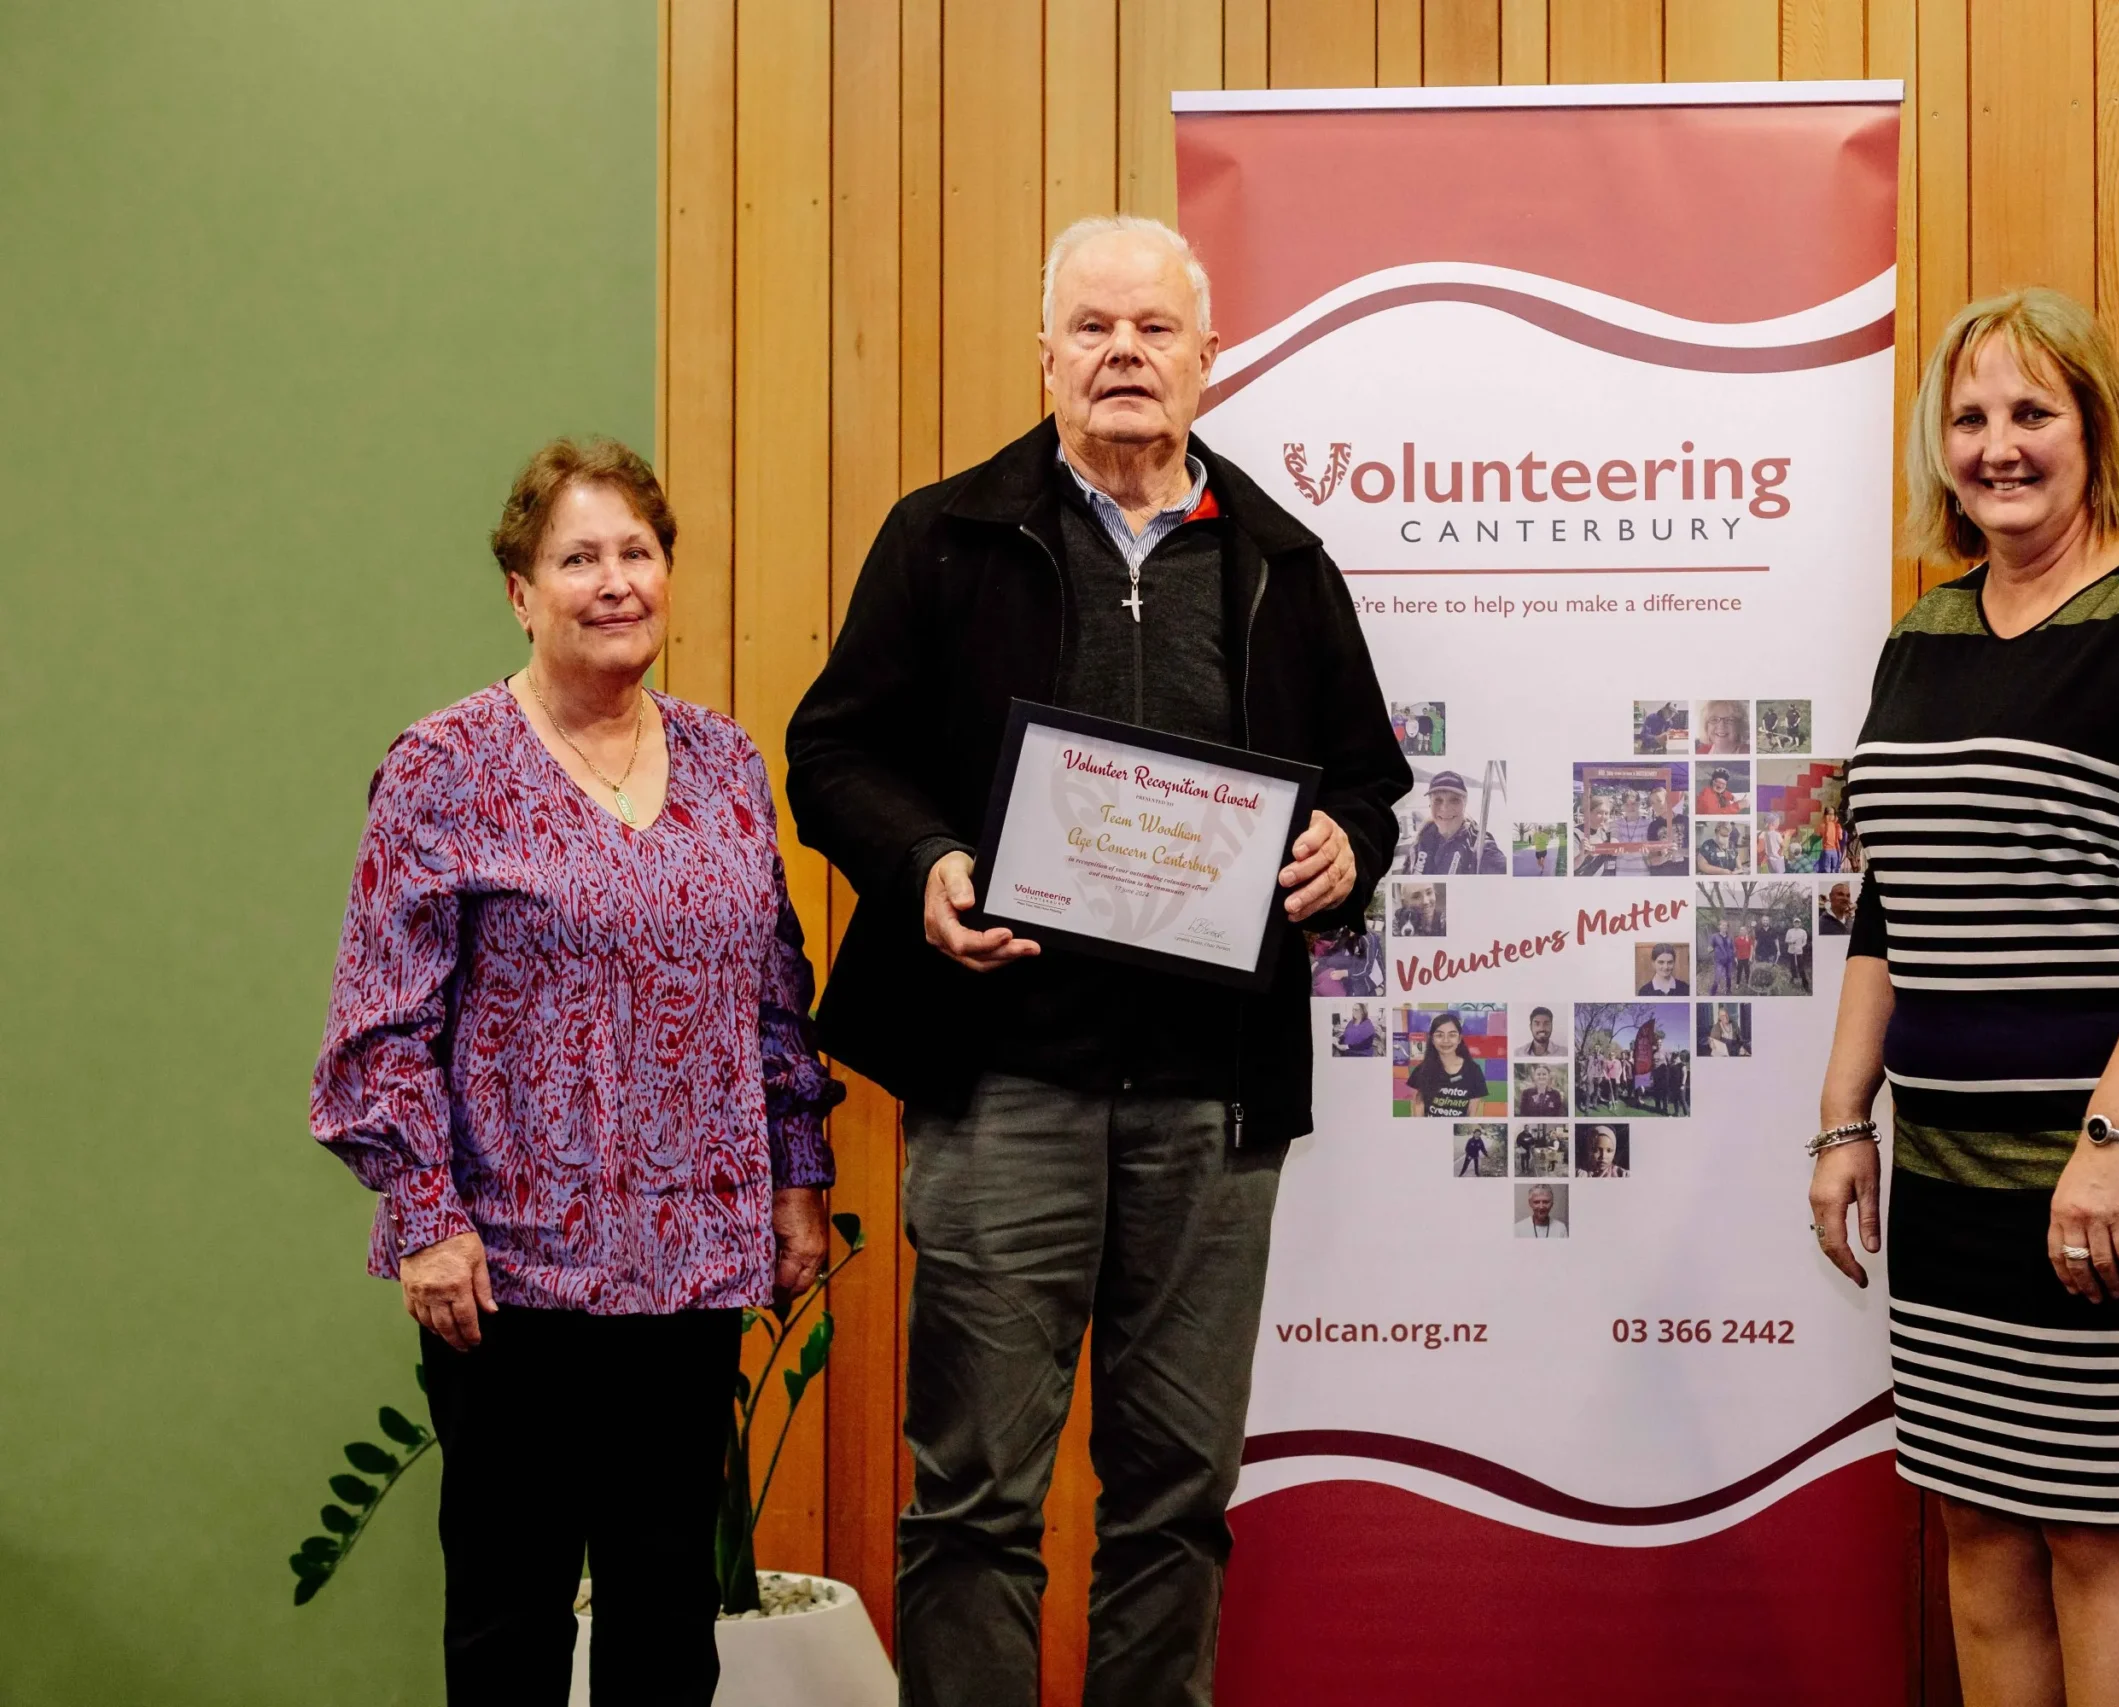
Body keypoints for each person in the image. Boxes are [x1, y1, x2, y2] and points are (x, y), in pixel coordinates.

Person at [782, 215, 1408, 1703]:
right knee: (974, 1502)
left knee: (1176, 1501)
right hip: (1003, 1086)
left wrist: (1348, 847)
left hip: (1210, 1101)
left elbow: (1368, 783)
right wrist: (927, 862)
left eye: (1153, 328)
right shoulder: (944, 537)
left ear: (1208, 357)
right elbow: (833, 752)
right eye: (1093, 327)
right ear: (1046, 356)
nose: (1124, 352)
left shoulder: (1281, 559)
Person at [310, 440, 841, 1706]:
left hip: (691, 1271)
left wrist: (797, 1180)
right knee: (511, 1617)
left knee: (667, 1619)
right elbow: (380, 1023)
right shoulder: (444, 767)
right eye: (578, 559)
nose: (615, 583)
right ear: (520, 592)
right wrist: (426, 1221)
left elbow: (773, 991)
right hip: (509, 1276)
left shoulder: (725, 761)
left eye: (637, 554)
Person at [1809, 287, 2119, 1707]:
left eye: (2031, 412)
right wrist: (1844, 1121)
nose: (1997, 446)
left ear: (2094, 427)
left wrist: (2112, 1138)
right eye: (1968, 418)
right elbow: (1893, 894)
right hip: (1950, 1158)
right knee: (1978, 1520)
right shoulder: (1924, 632)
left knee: (2107, 1529)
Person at [1405, 770, 1504, 874]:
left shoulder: (1477, 844)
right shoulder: (1420, 839)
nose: (1445, 808)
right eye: (1438, 800)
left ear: (1465, 803)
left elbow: (1498, 864)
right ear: (1430, 803)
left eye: (1454, 800)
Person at [1405, 1011, 1491, 1118]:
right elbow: (1418, 1108)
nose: (1446, 1040)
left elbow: (1472, 1114)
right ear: (1432, 1039)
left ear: (1459, 1039)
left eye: (1452, 1035)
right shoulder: (1421, 1070)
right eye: (1439, 1035)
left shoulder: (1473, 1071)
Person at [1784, 917, 1811, 990]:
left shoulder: (1803, 932)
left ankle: (1805, 984)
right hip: (1791, 951)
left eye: (1798, 922)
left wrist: (1800, 947)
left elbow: (1804, 942)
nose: (1796, 923)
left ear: (1800, 923)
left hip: (1799, 952)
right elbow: (1786, 940)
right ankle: (1794, 979)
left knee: (1801, 967)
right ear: (1793, 923)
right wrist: (1791, 941)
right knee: (1792, 967)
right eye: (1795, 922)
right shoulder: (1790, 931)